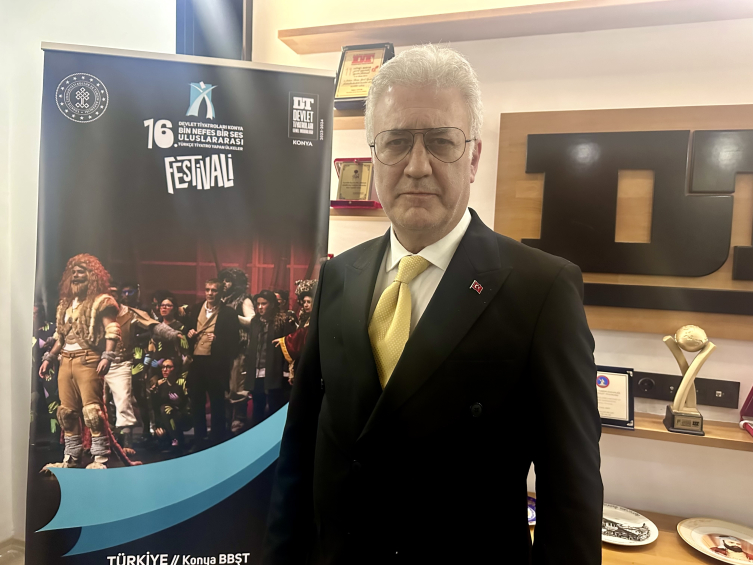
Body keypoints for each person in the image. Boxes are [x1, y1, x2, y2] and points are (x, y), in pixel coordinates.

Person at [264, 45, 602, 565]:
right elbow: (301, 447)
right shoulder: (338, 275)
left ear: (473, 157)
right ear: (374, 154)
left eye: (441, 142)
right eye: (396, 142)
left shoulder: (542, 291)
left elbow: (571, 497)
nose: (417, 166)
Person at [38, 254, 120, 469]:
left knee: (92, 412)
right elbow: (61, 336)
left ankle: (100, 458)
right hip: (66, 360)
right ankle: (71, 458)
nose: (76, 275)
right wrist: (49, 358)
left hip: (88, 359)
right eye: (73, 272)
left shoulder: (101, 302)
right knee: (66, 412)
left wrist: (107, 356)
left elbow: (112, 329)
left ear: (91, 275)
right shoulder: (65, 304)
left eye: (81, 272)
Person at [185, 278, 241, 445]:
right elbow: (187, 329)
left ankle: (217, 437)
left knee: (217, 401)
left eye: (214, 290)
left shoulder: (228, 313)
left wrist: (218, 339)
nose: (210, 293)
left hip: (216, 363)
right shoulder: (196, 309)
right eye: (208, 290)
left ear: (221, 292)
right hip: (197, 361)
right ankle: (199, 437)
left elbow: (235, 341)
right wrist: (189, 333)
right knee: (197, 400)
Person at [244, 290, 296, 427]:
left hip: (274, 371)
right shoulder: (255, 321)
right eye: (258, 304)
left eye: (264, 304)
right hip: (257, 370)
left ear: (272, 304)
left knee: (274, 405)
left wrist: (286, 370)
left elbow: (290, 346)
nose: (260, 307)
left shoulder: (283, 321)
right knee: (258, 405)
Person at [273, 280, 316, 383]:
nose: (305, 305)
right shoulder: (304, 319)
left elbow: (304, 334)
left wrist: (286, 340)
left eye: (309, 302)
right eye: (304, 302)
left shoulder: (316, 319)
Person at [152, 358, 191, 453]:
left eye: (168, 367)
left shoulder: (181, 382)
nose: (165, 370)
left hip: (184, 416)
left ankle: (176, 440)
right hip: (167, 417)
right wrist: (157, 426)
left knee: (166, 409)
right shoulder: (161, 385)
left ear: (175, 368)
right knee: (164, 411)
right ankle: (171, 439)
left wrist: (178, 406)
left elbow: (190, 403)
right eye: (163, 367)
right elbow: (155, 407)